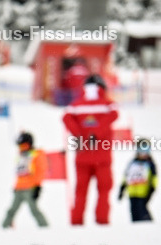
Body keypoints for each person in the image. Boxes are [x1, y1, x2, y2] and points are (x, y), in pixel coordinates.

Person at [63, 74, 118, 225]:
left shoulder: (76, 105)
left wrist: (80, 134)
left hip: (82, 156)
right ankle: (102, 220)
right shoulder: (107, 104)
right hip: (102, 157)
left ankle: (76, 221)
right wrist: (96, 133)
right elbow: (114, 115)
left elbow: (66, 118)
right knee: (104, 190)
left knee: (80, 191)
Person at [3, 131, 48, 228]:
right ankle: (3, 228)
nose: (21, 148)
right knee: (11, 210)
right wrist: (16, 186)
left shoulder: (36, 155)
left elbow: (40, 171)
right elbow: (19, 173)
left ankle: (45, 228)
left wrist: (37, 186)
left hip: (30, 188)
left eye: (23, 145)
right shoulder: (21, 155)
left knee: (34, 210)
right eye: (20, 146)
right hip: (19, 188)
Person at [118, 138, 157, 222]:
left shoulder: (149, 164)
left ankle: (148, 224)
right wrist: (122, 188)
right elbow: (127, 176)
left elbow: (154, 178)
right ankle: (136, 229)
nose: (143, 153)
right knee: (134, 212)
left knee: (142, 211)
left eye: (146, 150)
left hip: (143, 193)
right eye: (141, 150)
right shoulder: (132, 163)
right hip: (132, 192)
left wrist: (152, 189)